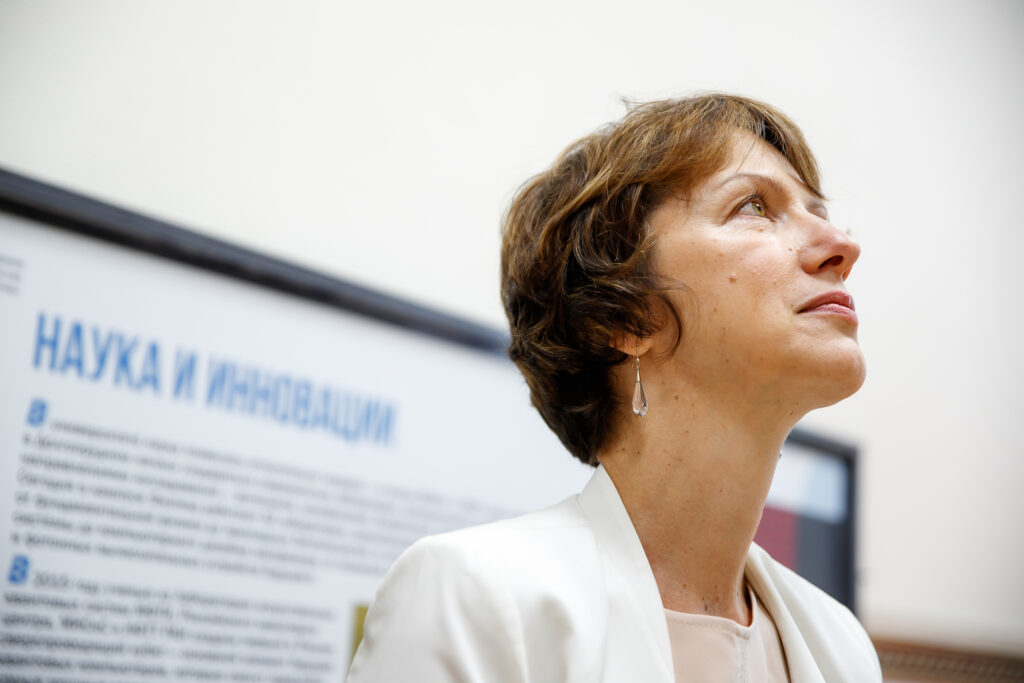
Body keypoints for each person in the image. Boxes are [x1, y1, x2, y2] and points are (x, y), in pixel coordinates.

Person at [347, 93, 882, 682]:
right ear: (623, 317)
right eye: (753, 206)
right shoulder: (470, 597)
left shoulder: (842, 646)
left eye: (819, 212)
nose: (843, 246)